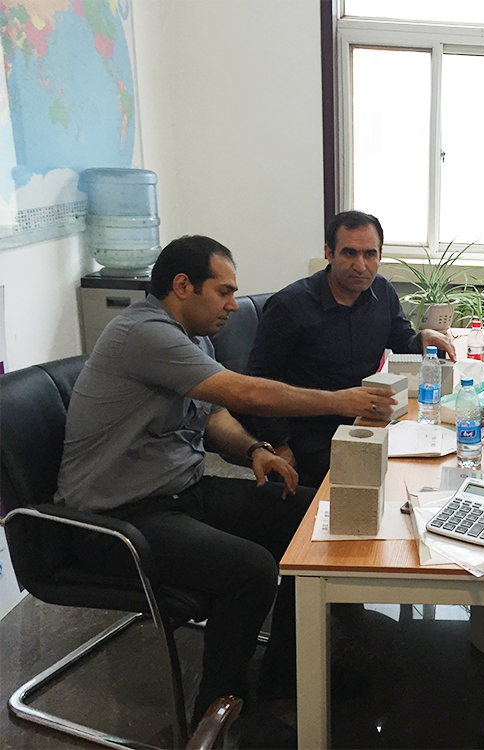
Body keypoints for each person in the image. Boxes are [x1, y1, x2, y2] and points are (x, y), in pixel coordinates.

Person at [55, 235, 395, 748]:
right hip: (117, 520)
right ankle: (215, 716)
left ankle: (285, 679)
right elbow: (243, 392)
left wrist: (255, 449)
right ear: (182, 286)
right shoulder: (143, 333)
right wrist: (339, 401)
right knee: (251, 570)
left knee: (313, 515)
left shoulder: (194, 341)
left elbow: (215, 415)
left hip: (179, 493)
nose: (234, 305)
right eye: (224, 291)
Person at [246, 210, 456, 487]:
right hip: (308, 430)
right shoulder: (289, 307)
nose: (360, 265)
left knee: (429, 465)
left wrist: (421, 339)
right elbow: (259, 381)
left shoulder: (382, 292)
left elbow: (401, 340)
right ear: (328, 253)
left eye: (370, 254)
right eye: (349, 253)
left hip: (365, 418)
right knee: (378, 482)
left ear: (380, 256)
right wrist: (279, 444)